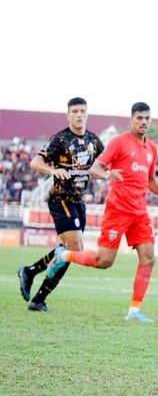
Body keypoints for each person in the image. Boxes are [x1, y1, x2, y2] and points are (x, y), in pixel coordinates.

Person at [45, 102, 158, 322]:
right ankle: (63, 255)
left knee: (149, 258)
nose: (143, 122)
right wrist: (107, 175)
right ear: (131, 119)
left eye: (147, 118)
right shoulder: (119, 142)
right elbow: (94, 168)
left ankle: (134, 311)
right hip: (118, 209)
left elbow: (150, 179)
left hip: (140, 212)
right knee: (104, 261)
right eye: (139, 118)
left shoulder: (151, 148)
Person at [17, 97, 104, 312]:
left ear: (87, 113)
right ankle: (33, 282)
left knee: (67, 251)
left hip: (79, 202)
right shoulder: (60, 139)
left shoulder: (94, 141)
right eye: (74, 111)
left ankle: (34, 284)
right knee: (75, 248)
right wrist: (52, 170)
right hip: (60, 199)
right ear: (68, 115)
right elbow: (35, 162)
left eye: (82, 111)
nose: (79, 114)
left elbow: (102, 164)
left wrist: (108, 174)